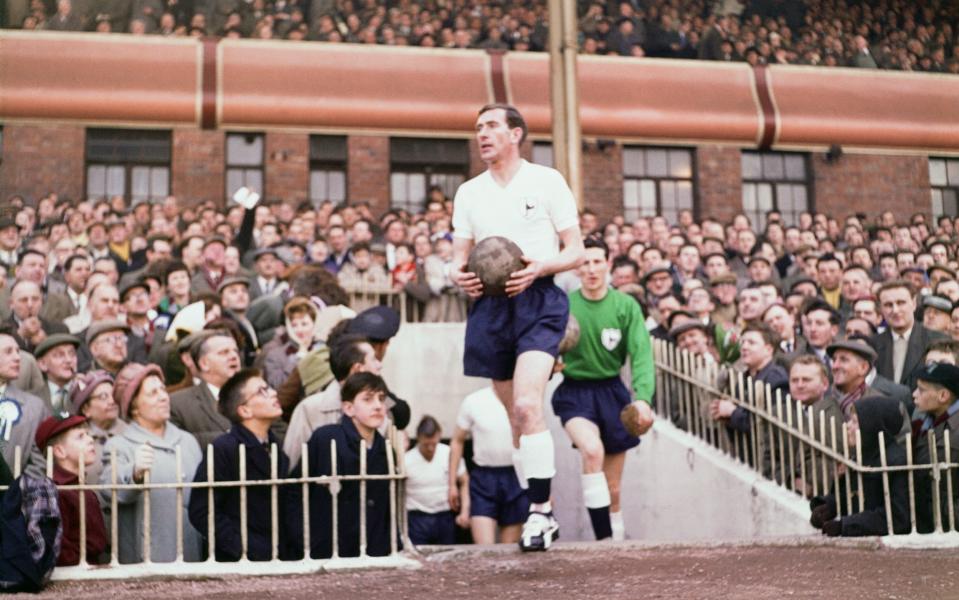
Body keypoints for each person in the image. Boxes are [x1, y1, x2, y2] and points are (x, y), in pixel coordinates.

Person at [451, 103, 584, 551]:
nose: (482, 134)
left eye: (490, 126)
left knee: (529, 406)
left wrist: (541, 266)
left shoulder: (546, 181)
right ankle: (537, 507)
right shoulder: (469, 192)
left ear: (516, 134)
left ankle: (541, 513)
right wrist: (459, 275)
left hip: (539, 297)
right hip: (491, 307)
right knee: (514, 421)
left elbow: (577, 251)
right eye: (478, 128)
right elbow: (457, 256)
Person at [551, 237, 654, 541]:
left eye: (598, 261)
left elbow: (641, 354)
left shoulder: (625, 306)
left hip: (612, 393)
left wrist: (644, 399)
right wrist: (551, 361)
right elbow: (542, 344)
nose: (592, 269)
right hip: (575, 391)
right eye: (585, 262)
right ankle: (604, 541)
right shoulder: (564, 305)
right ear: (576, 266)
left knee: (613, 489)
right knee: (592, 450)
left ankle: (616, 541)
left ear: (608, 264)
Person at [189, 368, 298, 561]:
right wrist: (243, 547)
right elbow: (202, 510)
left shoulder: (274, 447)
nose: (273, 393)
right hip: (240, 561)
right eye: (262, 391)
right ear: (244, 410)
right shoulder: (225, 448)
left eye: (270, 388)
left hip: (278, 556)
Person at [99, 363, 203, 563]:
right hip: (148, 558)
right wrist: (135, 472)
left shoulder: (188, 440)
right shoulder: (119, 445)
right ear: (134, 406)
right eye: (153, 393)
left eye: (163, 390)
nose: (164, 397)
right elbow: (109, 490)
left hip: (193, 553)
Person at [294, 372, 396, 559]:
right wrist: (306, 541)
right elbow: (295, 490)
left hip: (373, 550)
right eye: (368, 399)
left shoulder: (386, 450)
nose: (378, 406)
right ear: (348, 408)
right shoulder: (326, 438)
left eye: (381, 399)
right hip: (327, 548)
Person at [809, 396, 910, 536]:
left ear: (872, 426)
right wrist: (828, 507)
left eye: (855, 422)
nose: (848, 425)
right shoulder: (862, 454)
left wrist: (846, 525)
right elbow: (853, 496)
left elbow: (897, 518)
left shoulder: (896, 460)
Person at [283, 334, 381, 466]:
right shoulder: (310, 408)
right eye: (374, 359)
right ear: (358, 369)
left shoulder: (383, 404)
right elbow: (292, 462)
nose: (379, 365)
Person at [449, 387, 529, 545]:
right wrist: (452, 483)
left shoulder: (524, 399)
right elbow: (457, 441)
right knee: (484, 548)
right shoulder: (474, 401)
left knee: (511, 549)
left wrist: (543, 488)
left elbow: (536, 441)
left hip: (516, 476)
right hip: (484, 477)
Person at [34, 414, 108, 566]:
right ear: (60, 451)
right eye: (80, 436)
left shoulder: (79, 485)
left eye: (88, 434)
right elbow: (58, 550)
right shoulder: (56, 491)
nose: (90, 439)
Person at [169, 330, 241, 450]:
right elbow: (176, 444)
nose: (234, 356)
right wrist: (233, 438)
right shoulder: (178, 403)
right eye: (224, 352)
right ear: (204, 363)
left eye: (236, 351)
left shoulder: (258, 394)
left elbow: (277, 431)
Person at [404, 416, 467, 546]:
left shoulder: (448, 453)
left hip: (445, 517)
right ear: (419, 437)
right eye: (426, 444)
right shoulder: (407, 460)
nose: (430, 448)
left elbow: (465, 481)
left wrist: (465, 511)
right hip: (417, 518)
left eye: (434, 444)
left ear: (439, 435)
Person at [0, 326, 49, 478]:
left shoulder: (34, 407)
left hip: (14, 498)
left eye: (17, 351)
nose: (17, 357)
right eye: (8, 352)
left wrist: (15, 492)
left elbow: (41, 462)